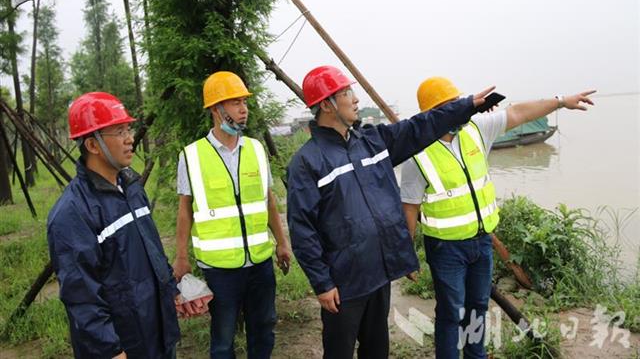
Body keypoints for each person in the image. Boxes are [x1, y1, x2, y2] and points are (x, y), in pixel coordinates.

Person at [286, 65, 494, 359]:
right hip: (343, 282)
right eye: (346, 93)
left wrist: (464, 108)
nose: (355, 99)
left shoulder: (372, 142)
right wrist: (322, 283)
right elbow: (302, 229)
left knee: (377, 350)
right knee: (340, 351)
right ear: (326, 105)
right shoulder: (307, 162)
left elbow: (420, 127)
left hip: (378, 273)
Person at [400, 77, 595, 358]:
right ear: (432, 114)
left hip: (481, 242)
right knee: (451, 313)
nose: (458, 109)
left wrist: (561, 101)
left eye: (458, 103)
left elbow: (517, 113)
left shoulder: (475, 129)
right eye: (450, 105)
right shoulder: (416, 154)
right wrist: (406, 252)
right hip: (446, 248)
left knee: (478, 306)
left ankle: (476, 355)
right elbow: (410, 207)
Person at [47, 92, 180, 359]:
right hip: (122, 343)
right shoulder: (72, 213)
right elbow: (81, 296)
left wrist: (171, 293)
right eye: (119, 131)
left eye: (128, 128)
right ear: (93, 146)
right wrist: (110, 350)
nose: (130, 138)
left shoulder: (131, 187)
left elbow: (153, 250)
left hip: (157, 331)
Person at [173, 71, 291, 359]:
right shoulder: (191, 156)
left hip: (260, 263)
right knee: (223, 338)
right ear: (216, 109)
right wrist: (181, 257)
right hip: (220, 269)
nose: (243, 109)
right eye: (235, 103)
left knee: (264, 328)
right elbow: (185, 210)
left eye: (245, 103)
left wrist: (282, 241)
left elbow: (268, 202)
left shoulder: (255, 148)